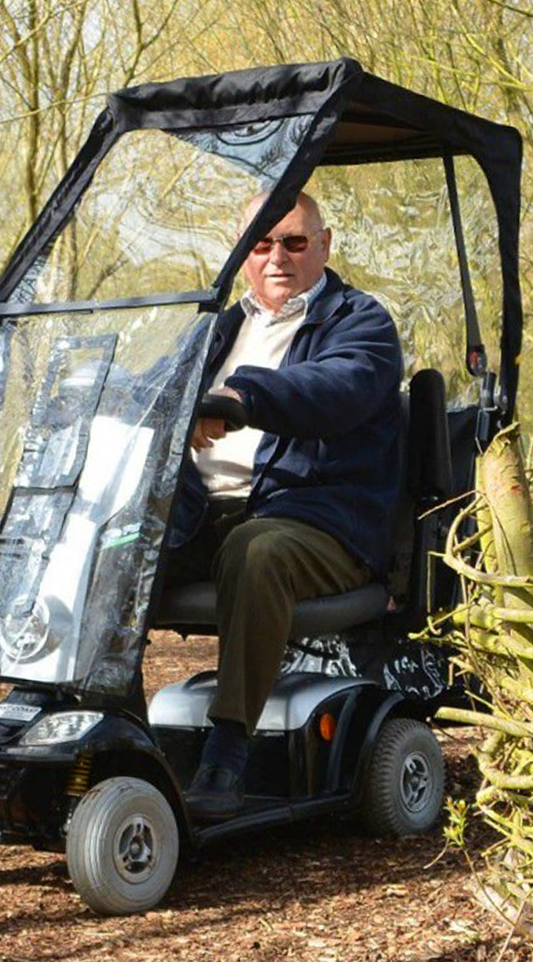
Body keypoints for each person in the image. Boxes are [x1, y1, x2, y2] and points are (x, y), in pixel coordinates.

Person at [165, 191, 403, 821]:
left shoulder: (360, 323)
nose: (278, 257)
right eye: (262, 244)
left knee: (258, 548)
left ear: (324, 245)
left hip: (317, 520)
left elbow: (335, 388)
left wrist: (241, 399)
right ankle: (106, 728)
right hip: (204, 513)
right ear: (242, 253)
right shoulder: (213, 328)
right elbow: (152, 391)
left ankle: (227, 751)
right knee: (110, 540)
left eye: (295, 242)